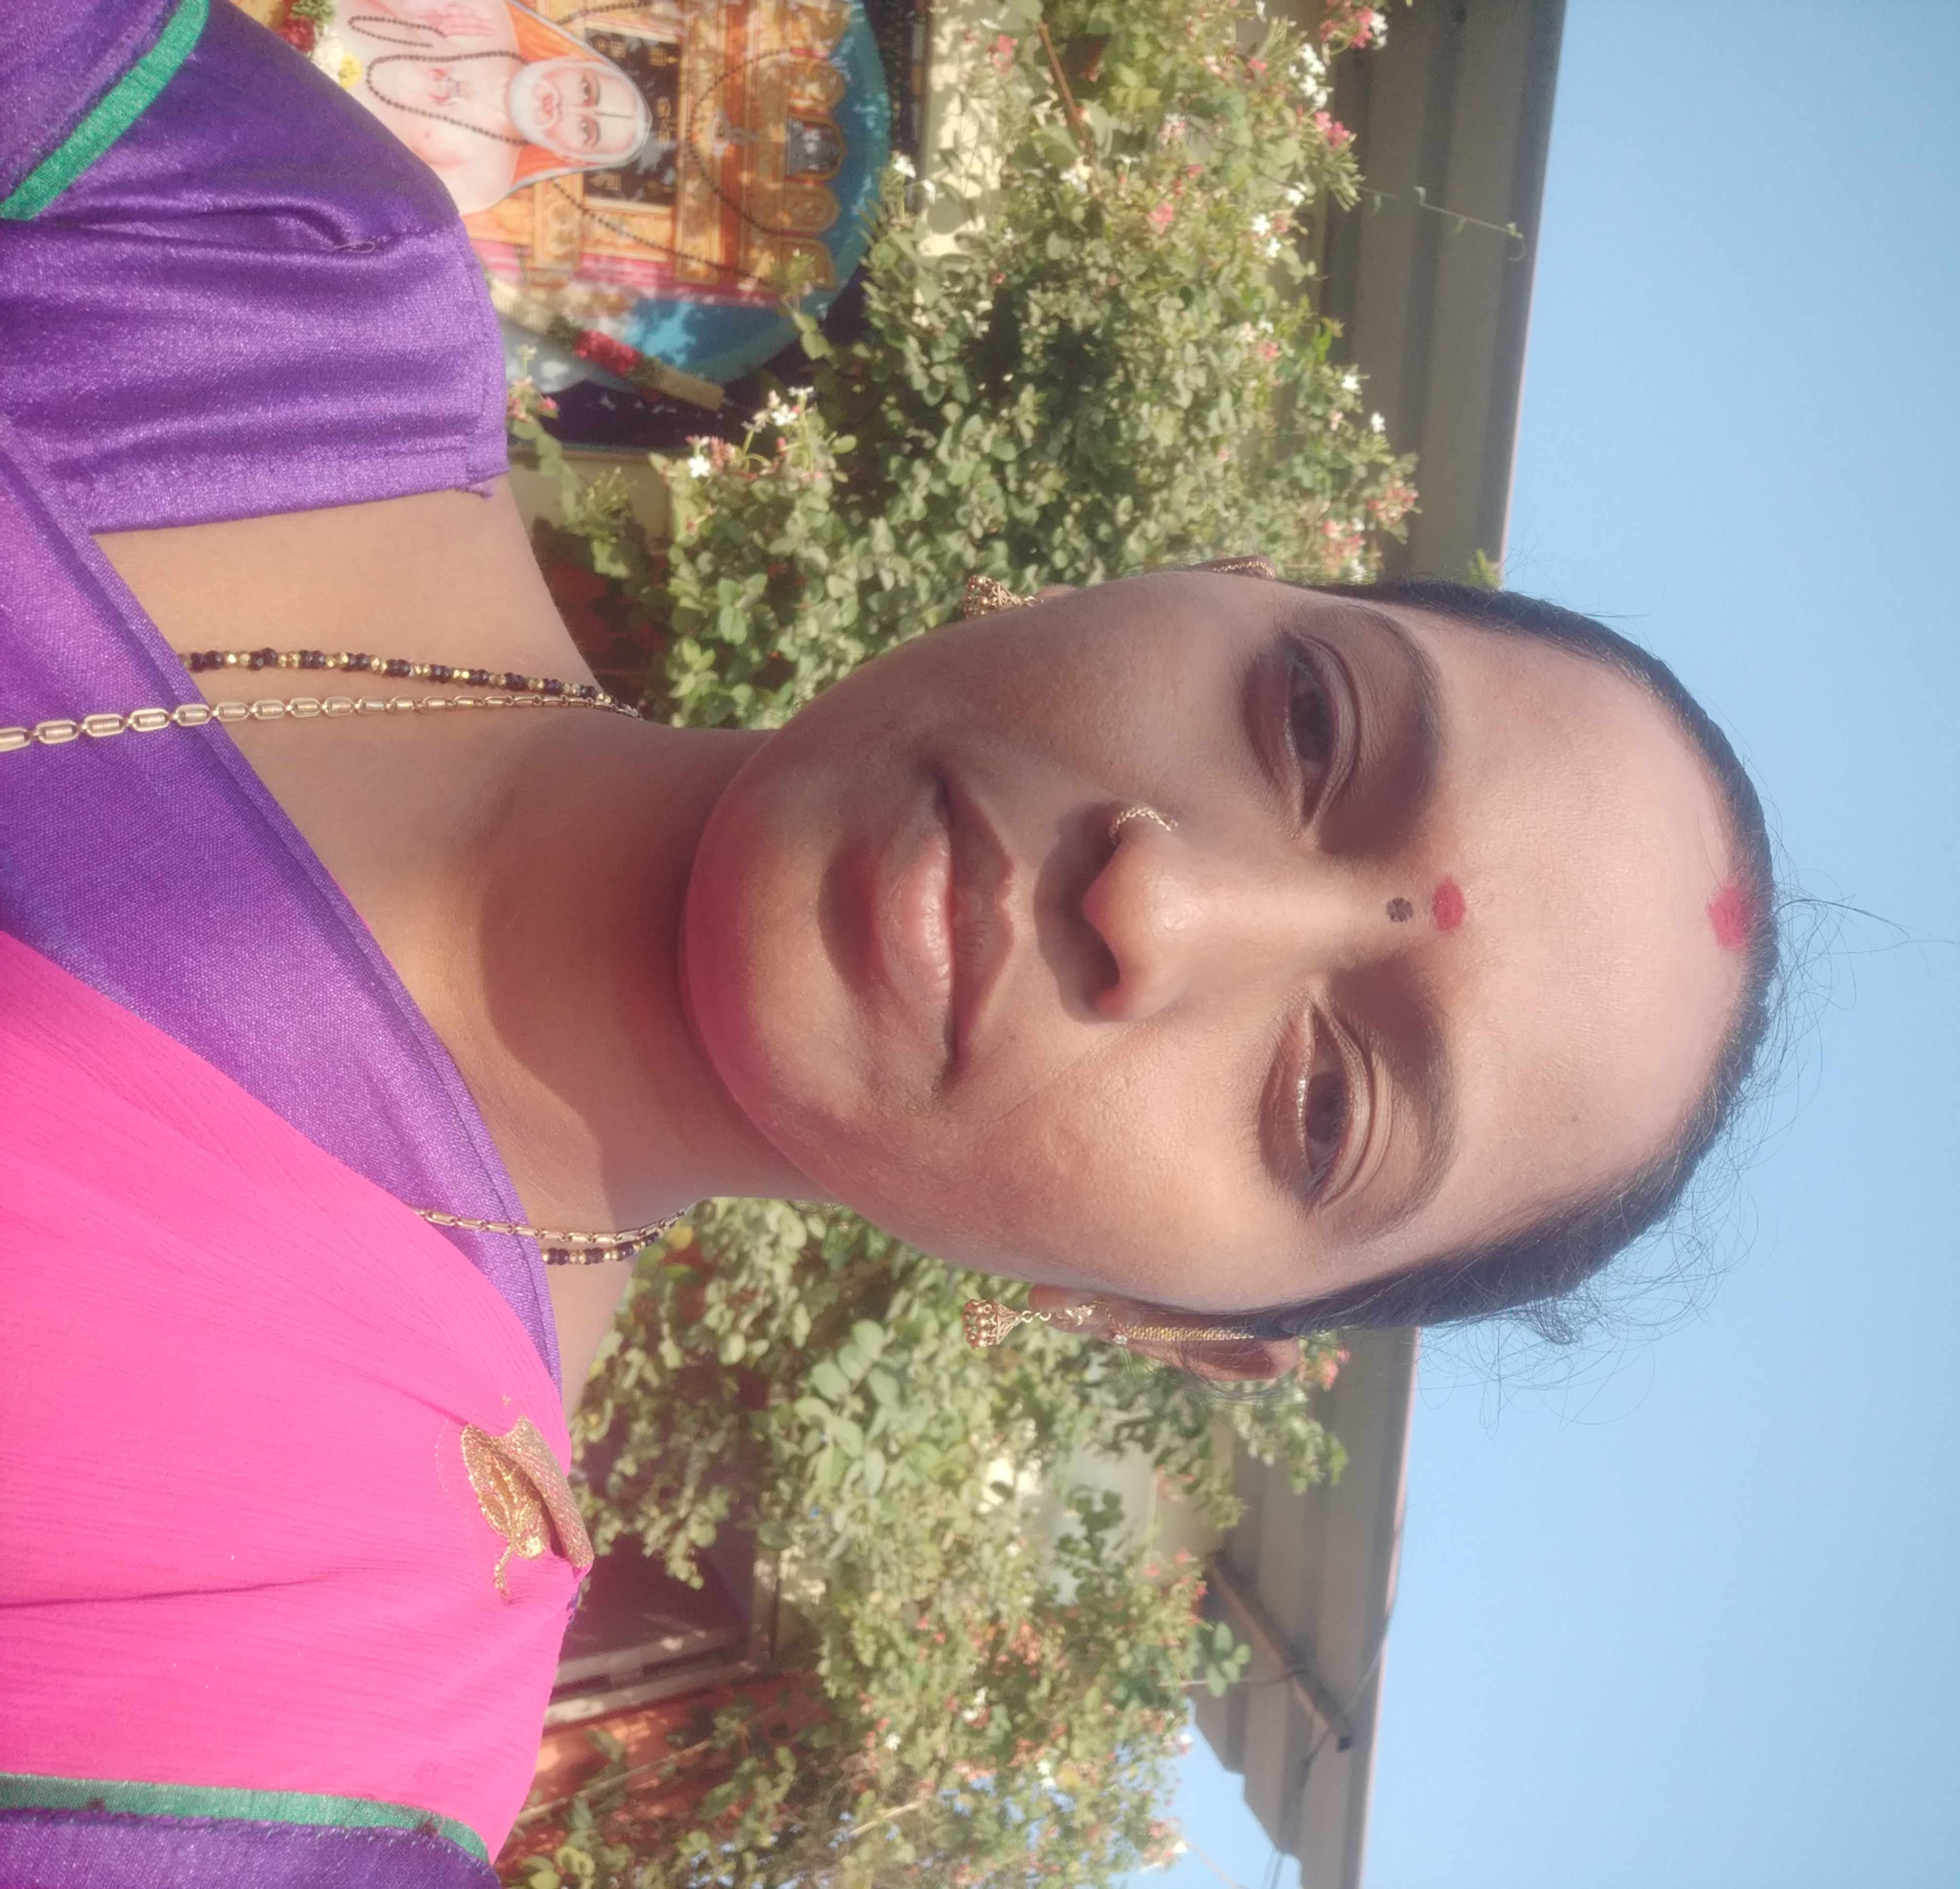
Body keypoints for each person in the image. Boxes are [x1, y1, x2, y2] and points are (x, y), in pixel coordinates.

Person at [0, 0, 1781, 1881]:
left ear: (1168, 1327)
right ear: (1203, 582)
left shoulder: (278, 1729)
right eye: (1313, 720)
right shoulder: (259, 259)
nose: (1156, 899)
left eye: (1325, 1106)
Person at [335, 0, 655, 214]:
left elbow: (369, 200)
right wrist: (418, 13)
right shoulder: (488, 13)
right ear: (573, 62)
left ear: (570, 155)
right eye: (585, 89)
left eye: (586, 130)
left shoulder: (484, 183)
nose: (566, 107)